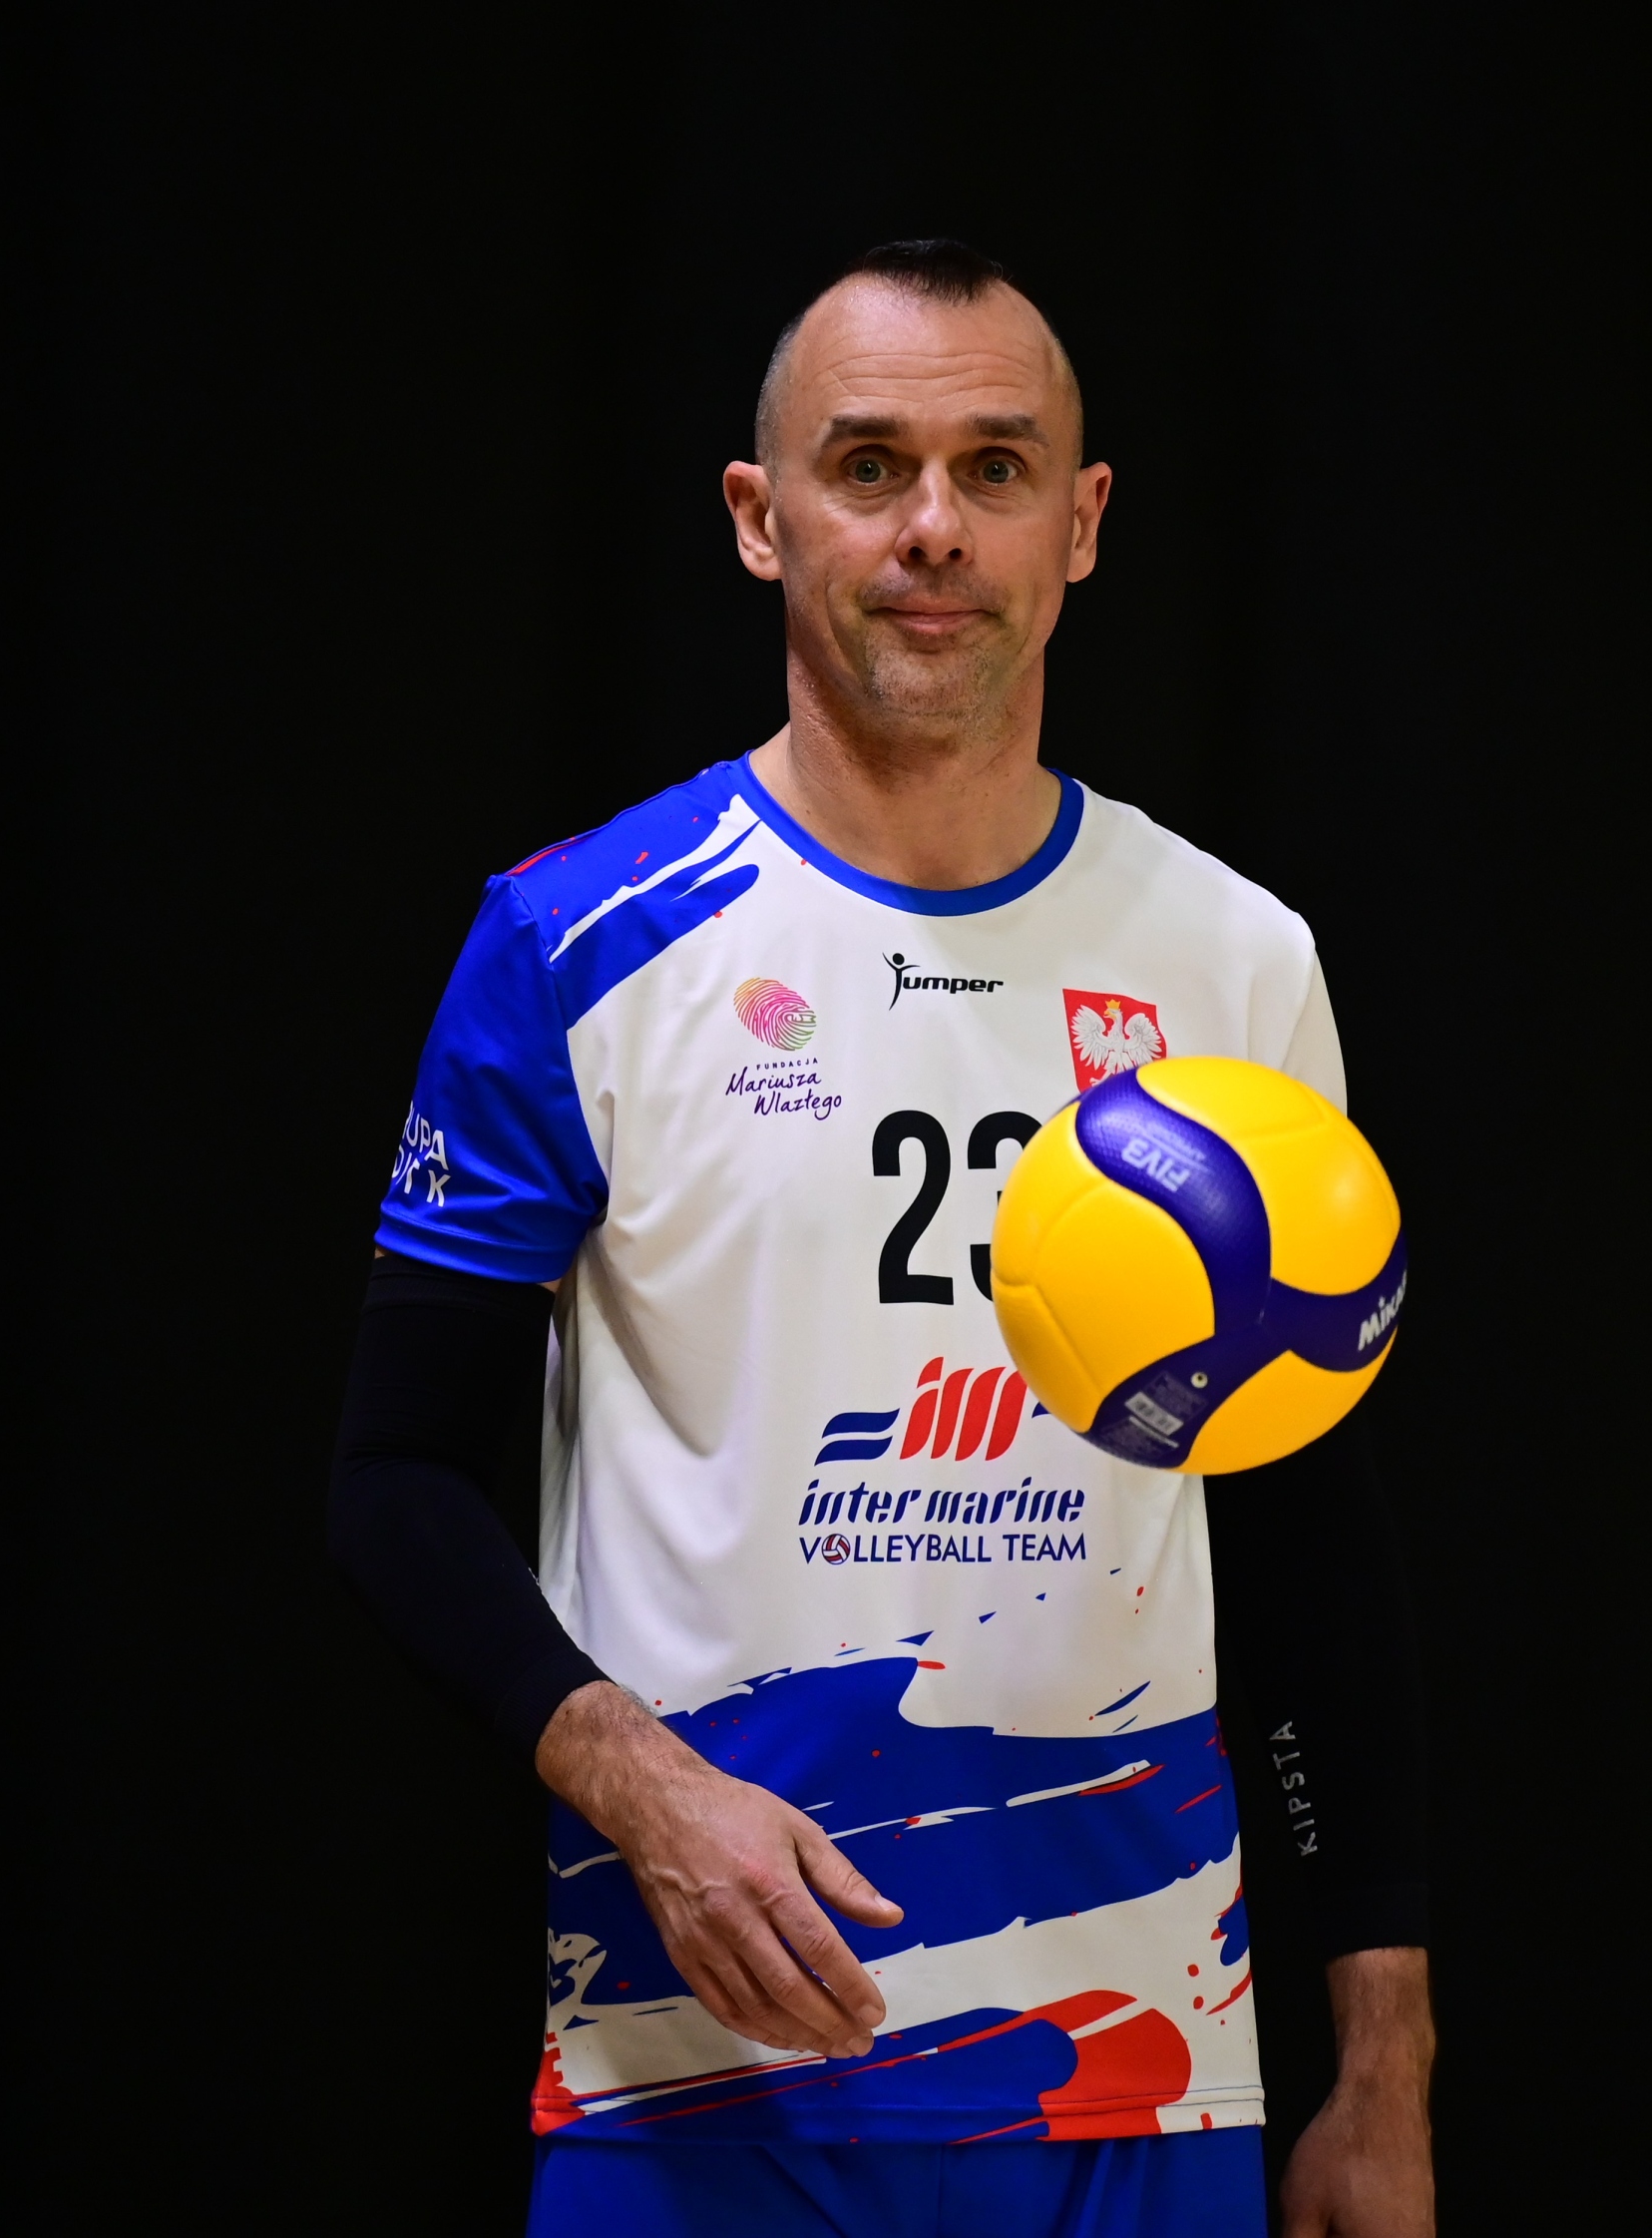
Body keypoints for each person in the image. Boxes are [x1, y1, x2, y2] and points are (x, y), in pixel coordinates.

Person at [330, 239, 1436, 2238]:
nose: (933, 528)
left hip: (1139, 2070)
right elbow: (396, 1480)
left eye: (994, 468)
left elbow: (1303, 1530)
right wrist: (642, 1787)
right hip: (696, 2077)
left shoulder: (1234, 959)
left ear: (1080, 524)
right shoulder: (574, 945)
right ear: (760, 519)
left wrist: (1380, 2066)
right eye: (868, 467)